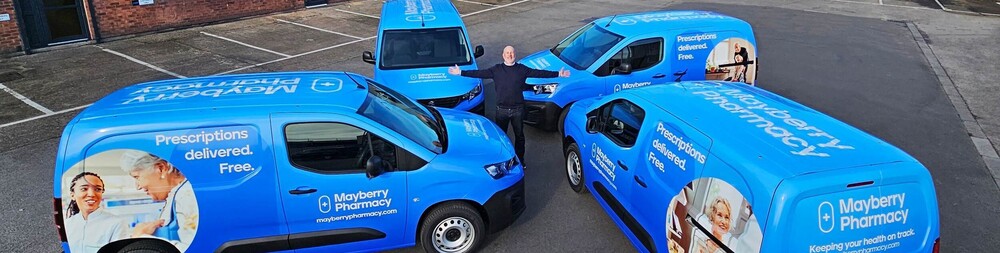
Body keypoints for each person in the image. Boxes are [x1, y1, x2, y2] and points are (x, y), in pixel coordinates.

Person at [447, 45, 570, 164]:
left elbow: (539, 73)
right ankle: (502, 160)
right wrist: (460, 72)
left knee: (519, 137)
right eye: (507, 53)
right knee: (501, 137)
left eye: (512, 53)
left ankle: (520, 160)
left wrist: (559, 74)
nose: (510, 55)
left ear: (514, 55)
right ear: (503, 55)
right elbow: (479, 73)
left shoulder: (522, 69)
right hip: (502, 111)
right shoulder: (496, 70)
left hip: (518, 110)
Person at [121, 150, 198, 252]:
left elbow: (195, 249)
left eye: (137, 177)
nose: (138, 186)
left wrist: (142, 239)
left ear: (161, 168)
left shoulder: (187, 196)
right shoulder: (177, 195)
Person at [65, 172, 129, 253]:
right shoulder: (67, 224)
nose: (91, 194)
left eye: (98, 189)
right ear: (72, 195)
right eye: (84, 189)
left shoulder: (117, 223)